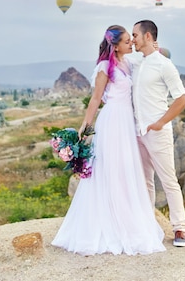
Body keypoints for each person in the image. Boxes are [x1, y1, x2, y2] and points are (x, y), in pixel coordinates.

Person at [51, 25, 166, 256]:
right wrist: (86, 124)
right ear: (114, 46)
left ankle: (124, 216)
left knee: (125, 170)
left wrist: (155, 49)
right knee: (109, 169)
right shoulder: (105, 67)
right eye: (126, 41)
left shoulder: (130, 63)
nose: (131, 44)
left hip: (126, 121)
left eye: (130, 40)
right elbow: (95, 99)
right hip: (112, 120)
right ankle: (107, 221)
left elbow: (150, 65)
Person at [130, 20, 185, 247]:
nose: (132, 39)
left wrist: (160, 122)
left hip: (157, 132)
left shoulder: (164, 65)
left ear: (147, 36)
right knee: (145, 181)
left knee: (168, 180)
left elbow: (181, 99)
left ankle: (179, 229)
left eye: (135, 35)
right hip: (137, 132)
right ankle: (148, 224)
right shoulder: (136, 63)